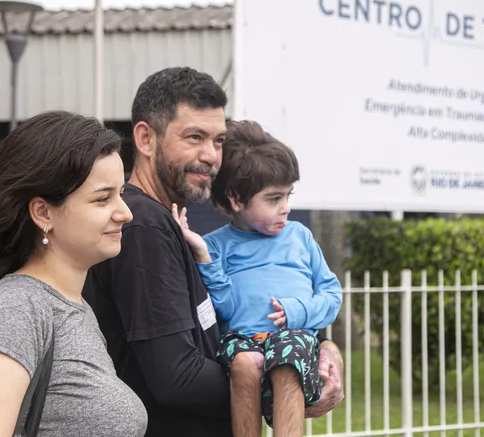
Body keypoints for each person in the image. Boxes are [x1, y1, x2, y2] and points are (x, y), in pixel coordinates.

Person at [83, 66, 345, 437]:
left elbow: (224, 327)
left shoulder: (171, 225)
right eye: (194, 137)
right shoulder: (143, 225)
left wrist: (322, 350)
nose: (210, 156)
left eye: (218, 141)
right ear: (145, 139)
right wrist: (288, 381)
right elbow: (178, 376)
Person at [0, 111, 148, 437]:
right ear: (43, 212)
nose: (125, 212)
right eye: (103, 198)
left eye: (121, 194)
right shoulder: (14, 309)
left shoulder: (72, 307)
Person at [172, 119, 343, 436]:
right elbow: (224, 310)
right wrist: (204, 258)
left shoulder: (300, 238)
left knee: (288, 357)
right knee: (244, 363)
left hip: (293, 344)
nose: (286, 208)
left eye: (288, 195)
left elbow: (332, 295)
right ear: (237, 199)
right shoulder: (214, 246)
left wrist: (297, 312)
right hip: (243, 345)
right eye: (274, 198)